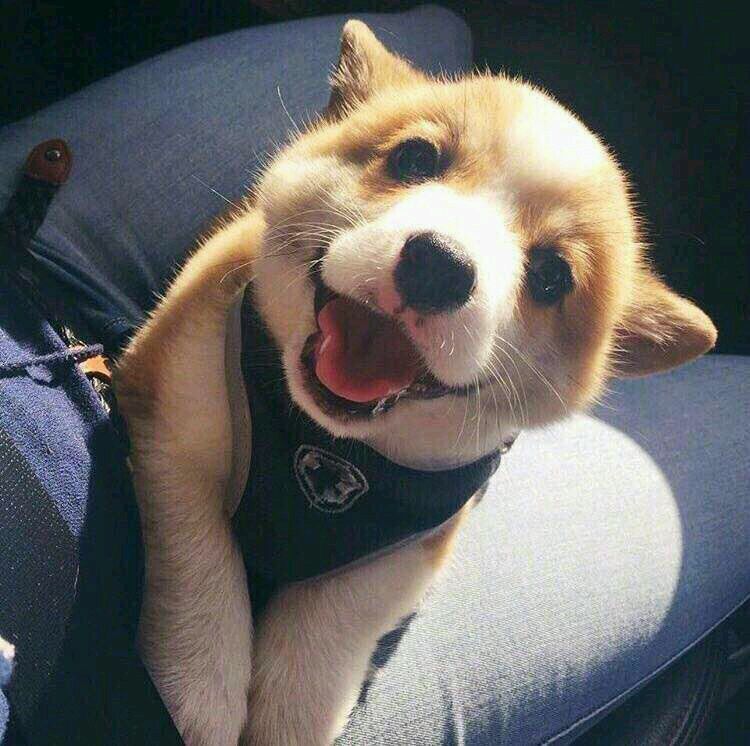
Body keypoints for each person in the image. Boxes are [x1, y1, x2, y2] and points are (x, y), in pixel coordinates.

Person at [0, 5, 747, 744]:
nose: (449, 248)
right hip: (60, 438)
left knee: (441, 32)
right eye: (417, 161)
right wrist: (203, 603)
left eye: (549, 276)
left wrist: (327, 631)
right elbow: (152, 388)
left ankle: (438, 28)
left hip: (21, 290)